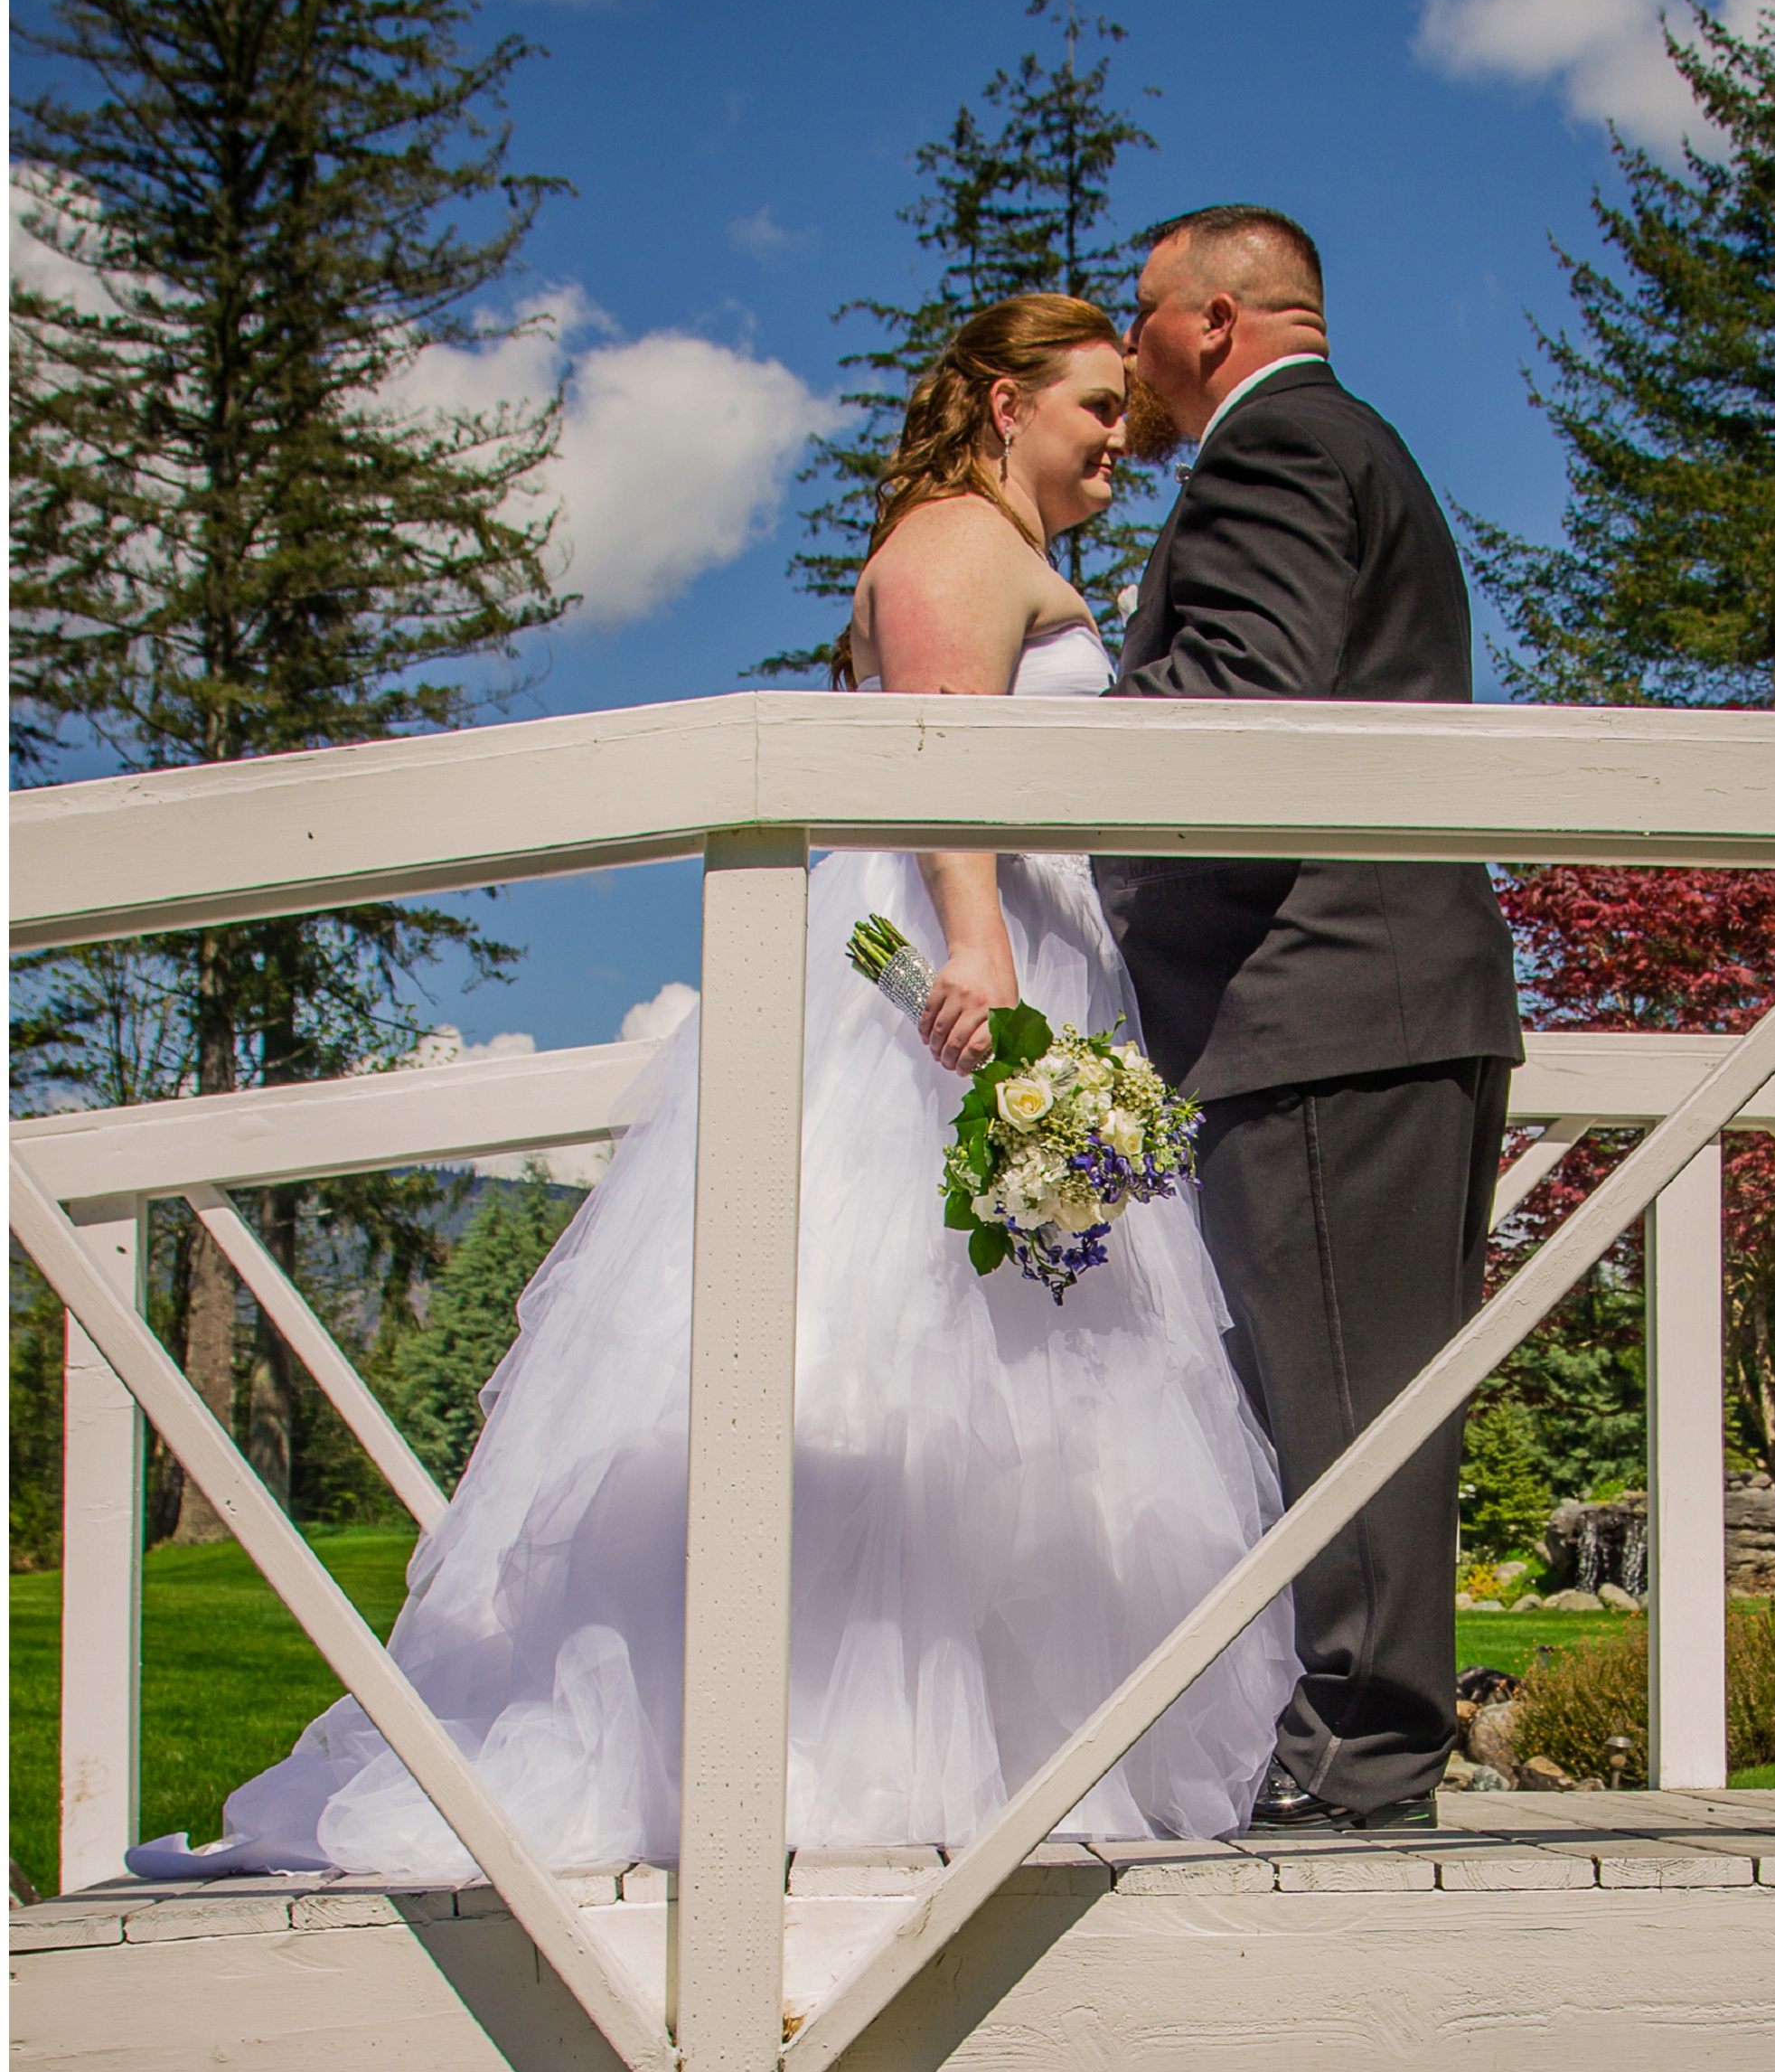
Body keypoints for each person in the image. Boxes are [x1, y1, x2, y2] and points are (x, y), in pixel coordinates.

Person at [166, 297, 1292, 1881]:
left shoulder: (986, 543)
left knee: (999, 1382)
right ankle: (830, 1767)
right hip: (947, 963)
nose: (1123, 435)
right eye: (1095, 405)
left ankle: (981, 1763)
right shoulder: (954, 545)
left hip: (999, 948)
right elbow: (935, 756)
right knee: (886, 1360)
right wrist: (979, 950)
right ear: (997, 403)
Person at [1098, 205, 1521, 1834]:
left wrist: (1051, 729)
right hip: (1375, 995)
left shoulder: (1275, 454)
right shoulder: (1360, 449)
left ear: (1213, 318)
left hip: (1331, 1003)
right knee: (1361, 1407)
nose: (1130, 354)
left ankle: (1355, 1778)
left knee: (1348, 1416)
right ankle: (1352, 1759)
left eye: (1141, 318)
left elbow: (1238, 707)